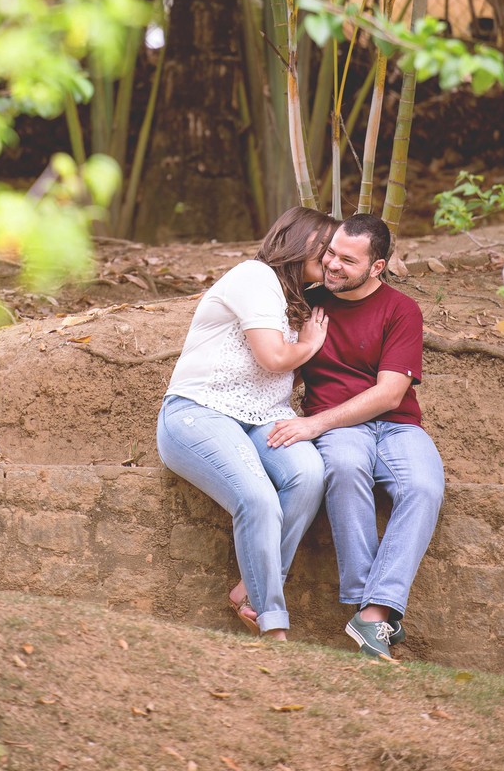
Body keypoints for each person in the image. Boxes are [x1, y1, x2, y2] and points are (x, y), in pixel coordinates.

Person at [268, 212, 444, 660]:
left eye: (347, 260)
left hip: (395, 424)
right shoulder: (306, 302)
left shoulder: (401, 309)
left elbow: (390, 393)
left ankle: (373, 613)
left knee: (424, 486)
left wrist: (313, 425)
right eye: (330, 253)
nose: (332, 265)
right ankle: (373, 618)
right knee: (345, 468)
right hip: (338, 424)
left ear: (377, 267)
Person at [156, 207, 338, 640]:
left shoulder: (298, 299)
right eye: (325, 245)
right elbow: (273, 358)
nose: (331, 257)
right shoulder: (255, 276)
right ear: (298, 240)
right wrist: (310, 344)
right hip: (198, 412)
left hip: (262, 420)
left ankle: (250, 592)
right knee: (258, 499)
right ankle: (272, 625)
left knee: (309, 474)